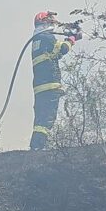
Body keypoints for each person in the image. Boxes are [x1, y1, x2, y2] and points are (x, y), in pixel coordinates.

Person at [29, 11, 79, 150]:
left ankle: (35, 147)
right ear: (45, 22)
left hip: (40, 87)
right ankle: (39, 148)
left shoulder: (37, 40)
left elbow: (51, 54)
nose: (54, 23)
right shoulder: (46, 37)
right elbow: (60, 50)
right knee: (47, 119)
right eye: (52, 21)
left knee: (40, 120)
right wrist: (72, 39)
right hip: (50, 85)